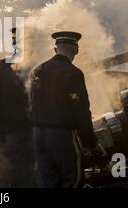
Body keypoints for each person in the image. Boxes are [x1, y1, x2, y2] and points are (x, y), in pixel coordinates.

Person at [30, 31, 97, 188]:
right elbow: (79, 107)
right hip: (61, 136)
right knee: (72, 179)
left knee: (46, 181)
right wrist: (89, 140)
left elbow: (32, 104)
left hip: (38, 135)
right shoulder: (73, 73)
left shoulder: (37, 71)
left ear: (56, 49)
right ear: (75, 50)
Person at [0, 28, 35, 188]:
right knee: (1, 180)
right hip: (4, 132)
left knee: (26, 178)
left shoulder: (33, 69)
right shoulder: (0, 68)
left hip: (27, 133)